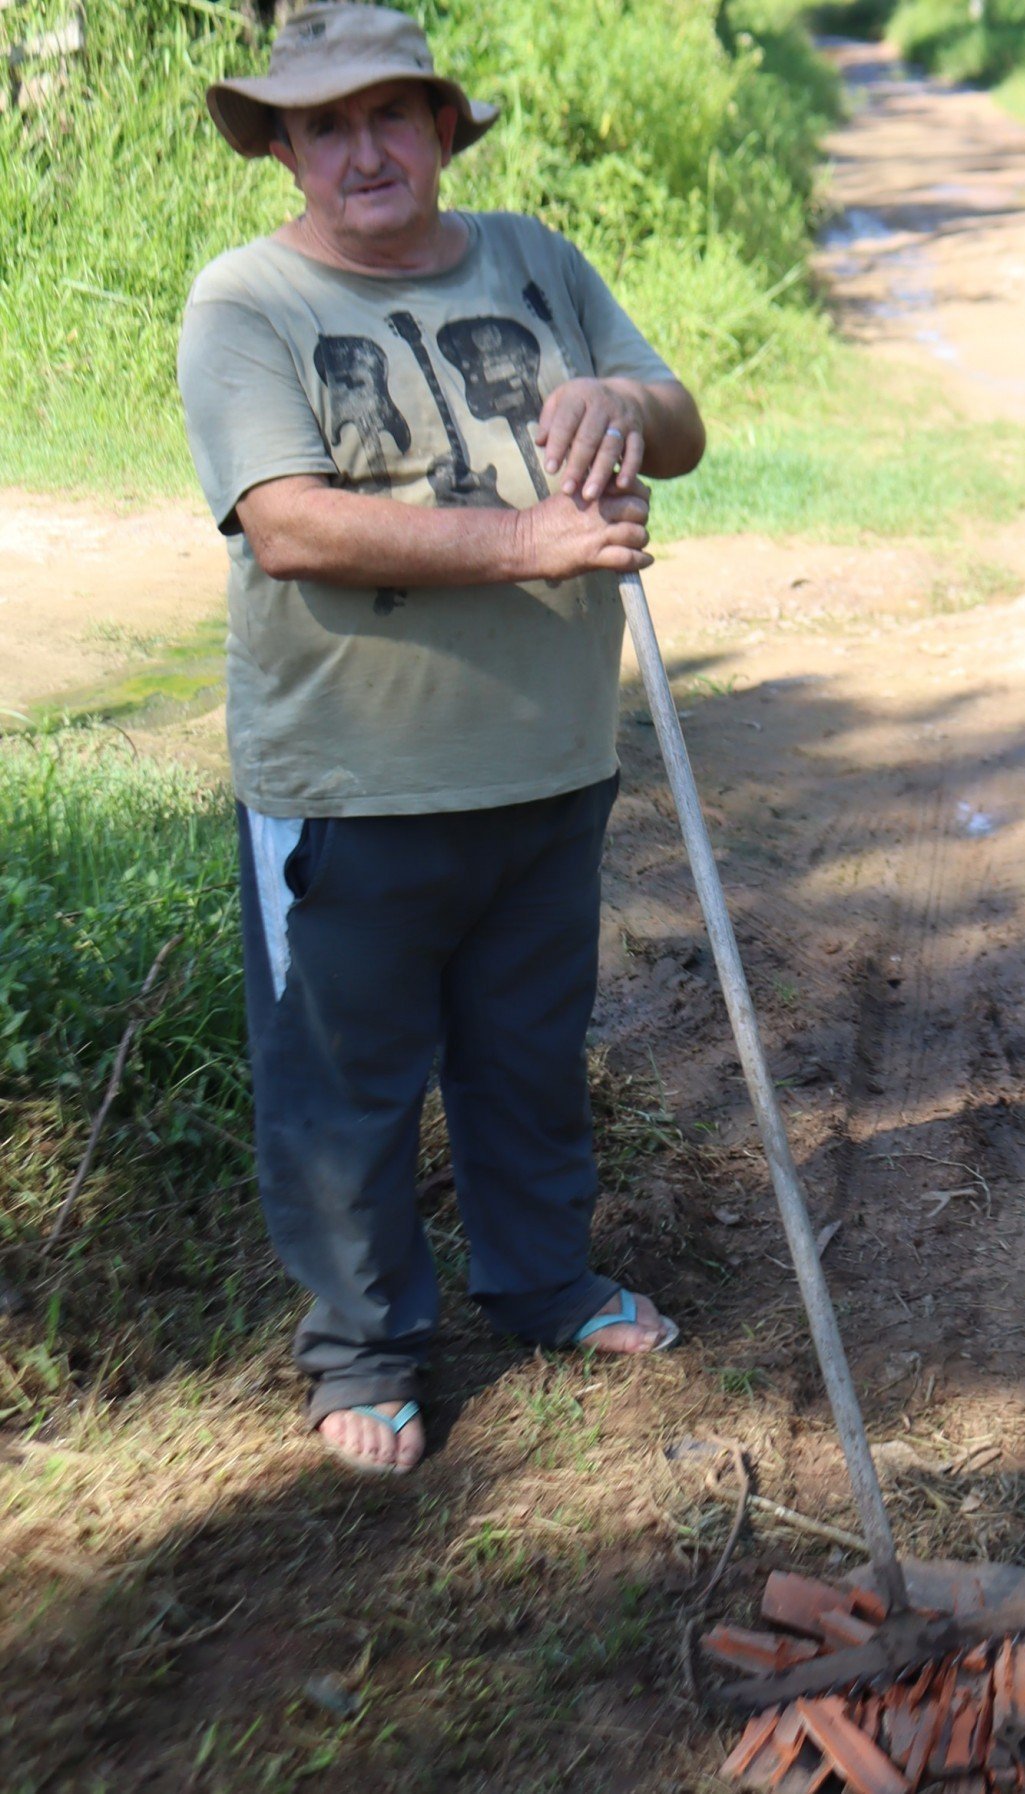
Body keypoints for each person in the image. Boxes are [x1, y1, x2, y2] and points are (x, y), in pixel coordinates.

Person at [177, 3, 706, 1475]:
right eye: (326, 124)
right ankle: (362, 1347)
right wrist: (531, 530)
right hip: (349, 785)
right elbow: (286, 522)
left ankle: (541, 1279)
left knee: (529, 1053)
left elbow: (681, 420)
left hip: (548, 767)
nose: (363, 150)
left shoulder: (534, 257)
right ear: (284, 147)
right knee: (343, 1080)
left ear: (437, 128)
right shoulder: (247, 303)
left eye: (389, 115)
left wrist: (621, 400)